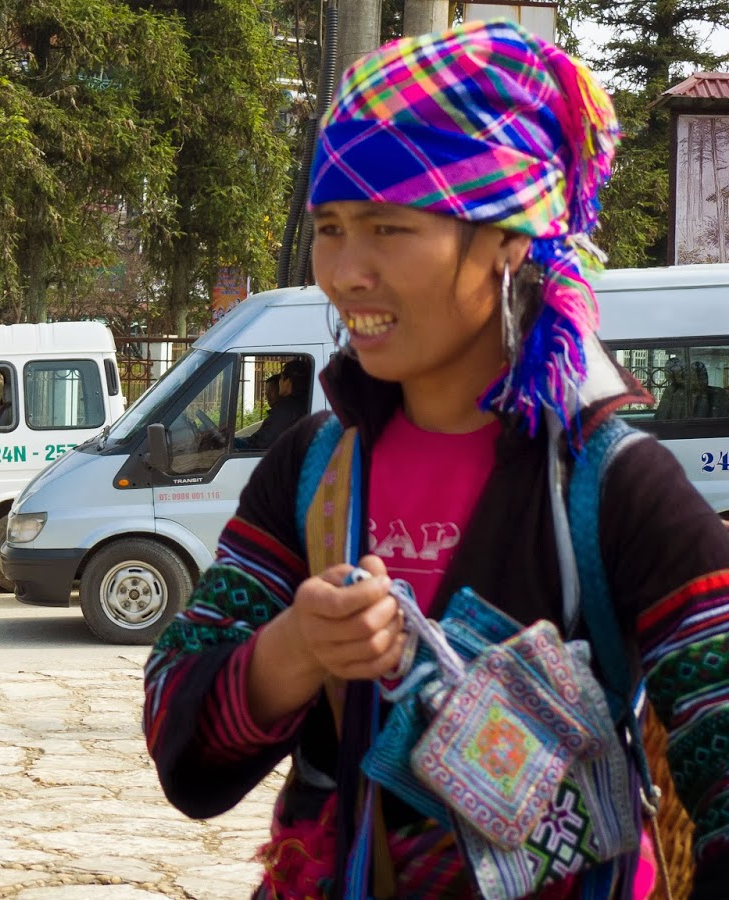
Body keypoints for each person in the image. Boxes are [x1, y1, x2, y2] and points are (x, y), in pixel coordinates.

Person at [143, 22, 729, 898]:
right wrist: (295, 648)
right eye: (331, 228)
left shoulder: (613, 487)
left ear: (507, 241)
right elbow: (177, 726)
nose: (347, 272)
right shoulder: (314, 471)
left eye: (388, 227)